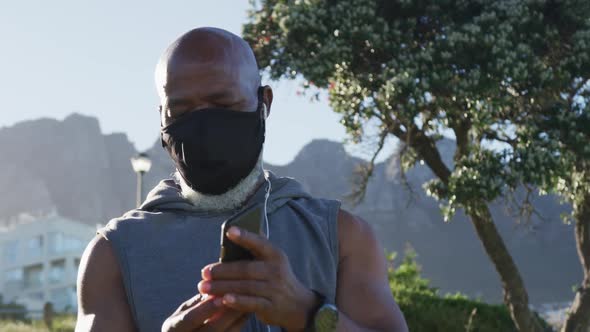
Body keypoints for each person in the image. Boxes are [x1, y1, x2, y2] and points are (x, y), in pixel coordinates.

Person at [75, 27, 408, 332]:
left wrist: (308, 313)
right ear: (161, 117)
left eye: (223, 103)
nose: (204, 124)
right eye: (181, 110)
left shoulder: (340, 236)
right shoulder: (113, 254)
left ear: (264, 103)